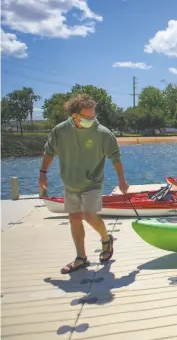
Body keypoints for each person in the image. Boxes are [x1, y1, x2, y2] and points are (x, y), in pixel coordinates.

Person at [39, 93, 129, 274]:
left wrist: (121, 180)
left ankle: (106, 239)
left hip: (93, 182)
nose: (92, 119)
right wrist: (43, 175)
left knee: (89, 215)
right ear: (75, 115)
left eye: (94, 115)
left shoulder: (103, 134)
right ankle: (81, 258)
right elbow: (49, 152)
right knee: (74, 218)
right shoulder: (61, 130)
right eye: (88, 116)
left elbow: (115, 158)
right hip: (70, 182)